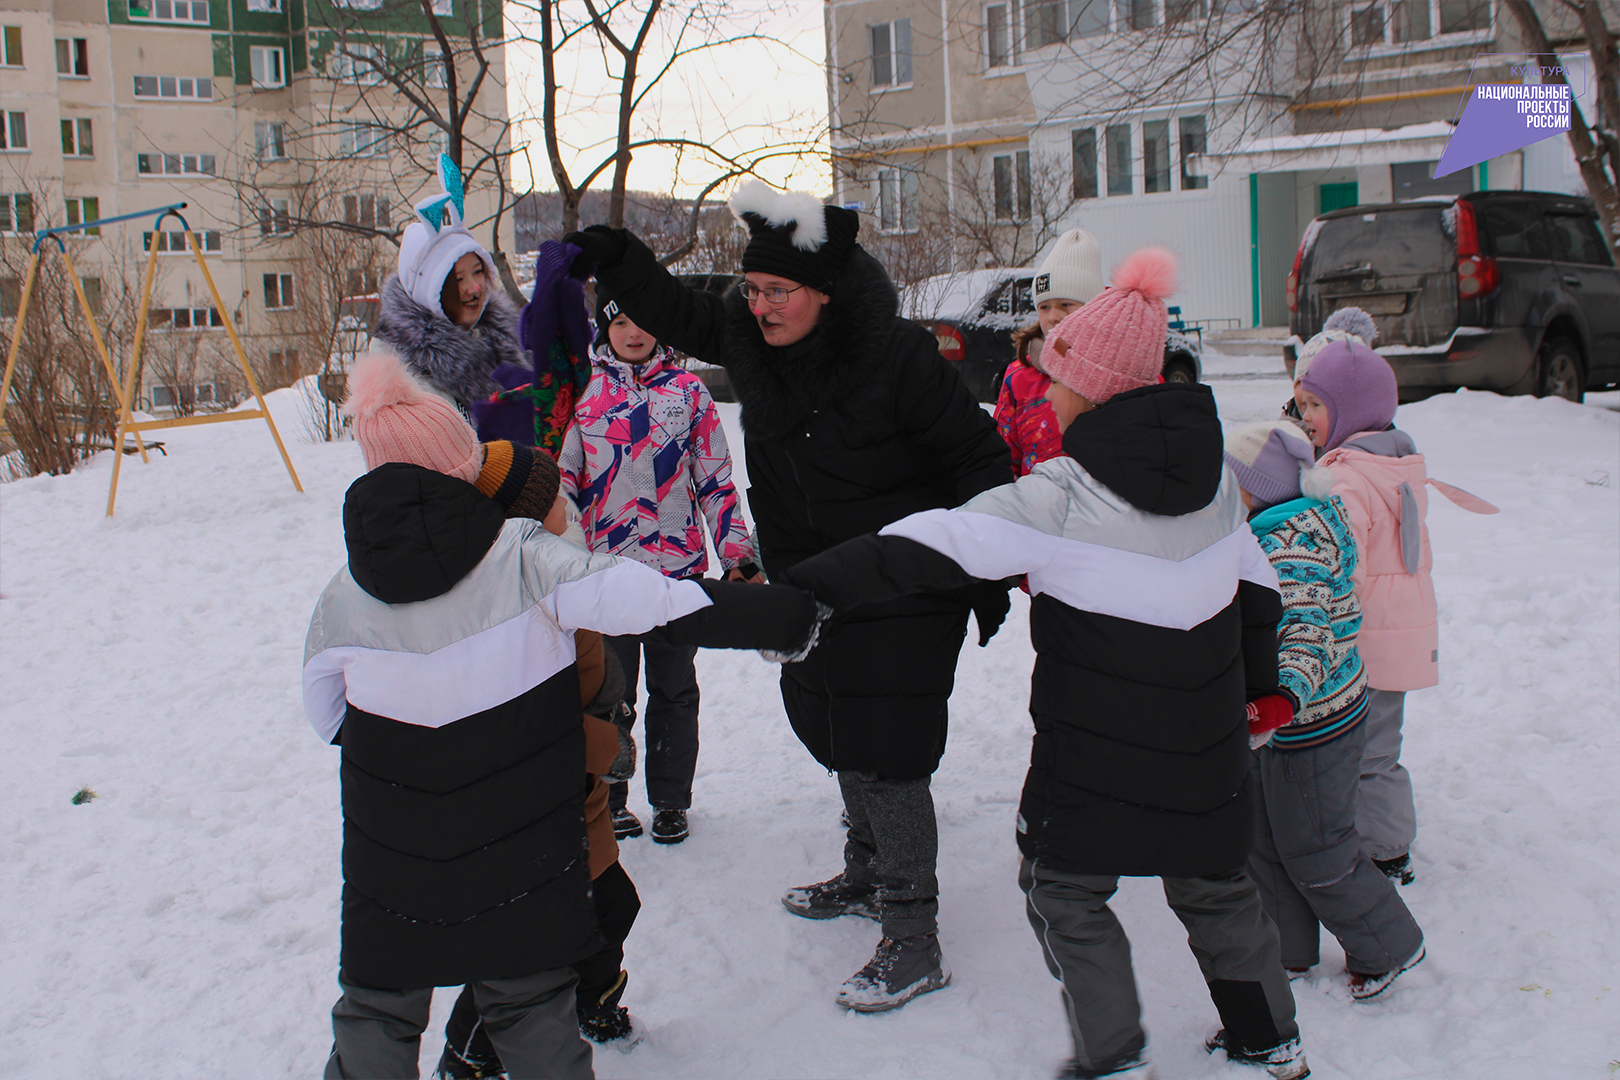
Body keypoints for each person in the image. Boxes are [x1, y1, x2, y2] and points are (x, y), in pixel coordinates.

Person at [783, 250, 1309, 1080]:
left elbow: (931, 542)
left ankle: (1114, 1054)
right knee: (1214, 885)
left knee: (1065, 891)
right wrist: (1261, 690)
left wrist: (805, 589)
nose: (1046, 389)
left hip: (1090, 760)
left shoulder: (1059, 496)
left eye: (1058, 375)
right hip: (1207, 750)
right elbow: (1259, 591)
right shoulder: (1217, 483)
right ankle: (1268, 1040)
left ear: (1092, 387)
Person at [304, 351, 825, 1079]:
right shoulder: (523, 556)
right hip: (518, 841)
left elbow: (325, 713)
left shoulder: (343, 594)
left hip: (391, 853)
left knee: (378, 1015)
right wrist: (785, 614)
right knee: (527, 1008)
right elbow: (656, 602)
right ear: (460, 465)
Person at [564, 181, 1014, 1012]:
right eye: (754, 288)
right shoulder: (753, 334)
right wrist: (622, 263)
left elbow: (979, 454)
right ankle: (868, 867)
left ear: (826, 295)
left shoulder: (896, 357)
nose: (759, 305)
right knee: (830, 717)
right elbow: (682, 310)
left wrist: (980, 557)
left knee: (889, 746)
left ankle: (914, 934)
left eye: (779, 291)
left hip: (904, 575)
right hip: (809, 580)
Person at [434, 439, 645, 1079]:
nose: (565, 501)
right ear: (521, 517)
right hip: (546, 795)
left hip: (580, 794)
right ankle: (470, 1051)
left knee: (605, 908)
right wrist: (611, 746)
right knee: (547, 929)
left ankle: (594, 1000)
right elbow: (534, 716)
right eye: (552, 496)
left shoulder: (555, 566)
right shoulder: (519, 592)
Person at [1224, 420, 1427, 1002]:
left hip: (1315, 723)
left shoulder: (1292, 547)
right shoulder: (1271, 528)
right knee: (1266, 836)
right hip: (1287, 724)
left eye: (1228, 485)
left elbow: (1306, 636)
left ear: (1256, 489)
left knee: (1317, 847)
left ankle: (1390, 944)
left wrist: (1280, 698)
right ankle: (1285, 948)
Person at [558, 285, 761, 845]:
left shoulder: (689, 392)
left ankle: (671, 800)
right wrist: (565, 564)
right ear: (606, 327)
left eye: (644, 320)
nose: (633, 332)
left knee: (675, 689)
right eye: (621, 321)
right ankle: (611, 797)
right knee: (610, 692)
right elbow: (564, 488)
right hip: (609, 576)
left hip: (678, 573)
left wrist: (738, 557)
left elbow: (716, 481)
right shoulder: (586, 394)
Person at [1294, 342, 1496, 885]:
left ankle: (1381, 852)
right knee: (1380, 748)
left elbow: (1339, 562)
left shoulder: (1346, 477)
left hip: (1364, 641)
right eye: (1302, 404)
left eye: (1315, 405)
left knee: (1359, 754)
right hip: (1398, 637)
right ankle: (1386, 843)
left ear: (1351, 410)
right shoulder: (1395, 462)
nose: (1304, 417)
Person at [372, 154, 524, 419]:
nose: (474, 288)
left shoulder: (507, 338)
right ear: (429, 290)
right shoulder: (398, 372)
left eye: (478, 273)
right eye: (457, 279)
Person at [994, 228, 1105, 477]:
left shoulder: (1116, 370)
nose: (1053, 316)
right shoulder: (1019, 376)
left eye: (1066, 304)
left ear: (1093, 307)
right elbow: (1004, 455)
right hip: (1036, 507)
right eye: (1044, 307)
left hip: (1100, 509)